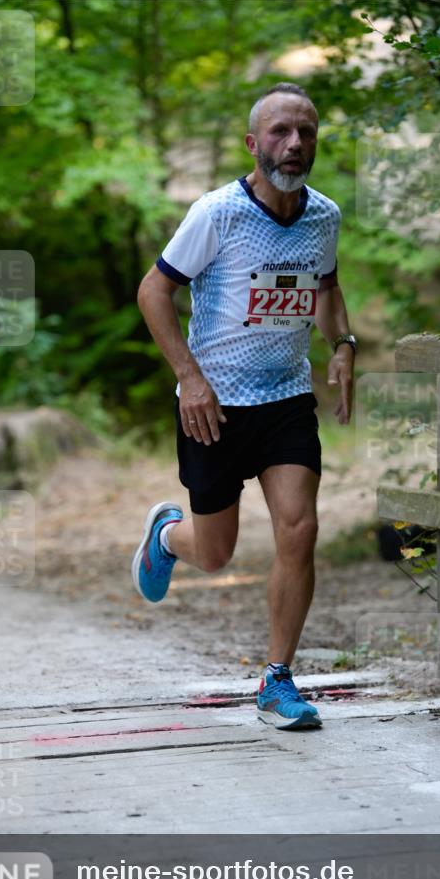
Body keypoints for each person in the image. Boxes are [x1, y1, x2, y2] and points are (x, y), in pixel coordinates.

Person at [131, 82, 356, 730]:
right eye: (280, 132)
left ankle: (276, 679)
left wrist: (340, 342)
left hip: (285, 397)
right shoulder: (217, 214)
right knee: (216, 553)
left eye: (305, 132)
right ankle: (165, 536)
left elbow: (326, 289)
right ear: (253, 144)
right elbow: (153, 292)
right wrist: (189, 378)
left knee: (299, 527)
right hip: (213, 406)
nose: (294, 144)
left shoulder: (324, 217)